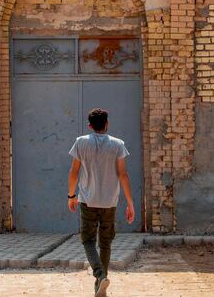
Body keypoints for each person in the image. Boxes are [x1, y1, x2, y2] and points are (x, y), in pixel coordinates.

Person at [68, 108, 135, 297]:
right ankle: (101, 285)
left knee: (88, 240)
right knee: (105, 243)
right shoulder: (118, 144)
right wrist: (130, 203)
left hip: (88, 201)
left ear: (90, 125)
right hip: (110, 202)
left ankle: (100, 275)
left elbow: (74, 172)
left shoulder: (80, 142)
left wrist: (71, 195)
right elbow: (123, 174)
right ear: (107, 124)